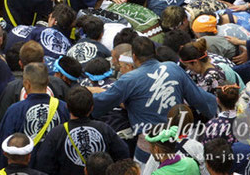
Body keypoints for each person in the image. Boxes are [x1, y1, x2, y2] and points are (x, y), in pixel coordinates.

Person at [91, 36, 217, 164]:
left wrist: (88, 94)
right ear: (155, 53)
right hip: (178, 143)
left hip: (149, 147)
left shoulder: (129, 79)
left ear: (134, 57)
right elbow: (201, 100)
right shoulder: (173, 68)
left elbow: (102, 103)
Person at [0, 63, 70, 171]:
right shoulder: (64, 108)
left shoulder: (15, 110)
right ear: (47, 82)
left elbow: (3, 148)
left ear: (27, 84)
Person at [34, 86, 130, 174]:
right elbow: (123, 153)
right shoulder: (104, 129)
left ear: (67, 107)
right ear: (92, 107)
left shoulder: (56, 133)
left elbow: (43, 163)